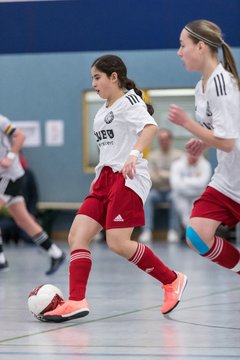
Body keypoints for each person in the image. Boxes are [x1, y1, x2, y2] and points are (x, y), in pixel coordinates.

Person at [41, 54, 187, 322]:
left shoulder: (129, 100)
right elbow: (108, 149)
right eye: (92, 79)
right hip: (105, 179)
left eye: (97, 77)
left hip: (127, 177)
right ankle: (76, 301)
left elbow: (150, 127)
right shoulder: (101, 112)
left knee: (118, 243)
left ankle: (172, 280)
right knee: (77, 236)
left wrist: (133, 154)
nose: (94, 83)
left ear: (114, 77)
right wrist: (99, 175)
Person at [168, 20, 240, 275]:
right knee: (197, 235)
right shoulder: (201, 87)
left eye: (182, 45)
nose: (179, 52)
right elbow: (221, 134)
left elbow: (229, 142)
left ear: (200, 47)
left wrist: (187, 124)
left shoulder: (222, 84)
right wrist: (202, 140)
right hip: (228, 179)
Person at [0, 115, 66, 274]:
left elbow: (20, 136)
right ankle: (56, 253)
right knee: (23, 220)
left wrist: (10, 156)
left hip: (9, 176)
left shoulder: (1, 121)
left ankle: (1, 261)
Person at [138, 129, 182, 243]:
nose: (164, 142)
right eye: (161, 140)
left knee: (175, 198)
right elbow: (152, 177)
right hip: (156, 190)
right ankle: (147, 231)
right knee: (147, 198)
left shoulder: (179, 156)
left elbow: (178, 177)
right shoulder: (152, 156)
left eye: (166, 139)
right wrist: (169, 175)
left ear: (170, 140)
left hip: (172, 190)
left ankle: (173, 231)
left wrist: (161, 174)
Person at [170, 152, 212, 234]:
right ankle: (186, 233)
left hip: (198, 195)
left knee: (196, 215)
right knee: (184, 213)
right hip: (181, 195)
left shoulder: (205, 165)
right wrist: (195, 181)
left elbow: (202, 184)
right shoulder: (177, 165)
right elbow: (175, 185)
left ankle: (194, 234)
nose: (193, 157)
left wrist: (184, 180)